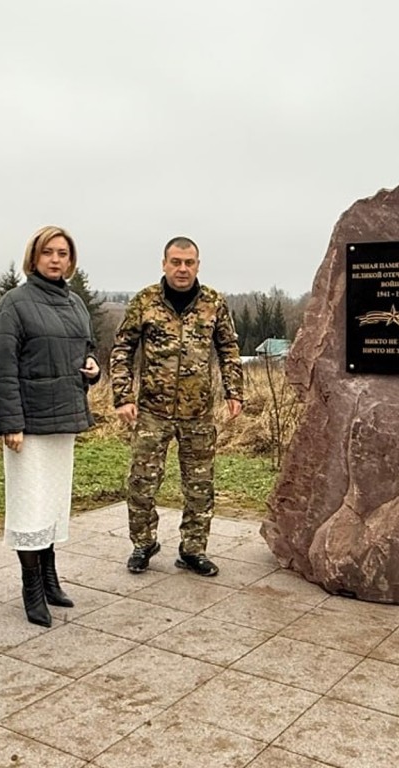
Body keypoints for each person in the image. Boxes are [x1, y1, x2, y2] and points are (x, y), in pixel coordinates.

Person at [0, 226, 100, 628]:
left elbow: (86, 351)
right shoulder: (13, 304)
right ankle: (31, 588)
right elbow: (0, 368)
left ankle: (51, 579)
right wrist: (9, 422)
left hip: (63, 421)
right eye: (48, 252)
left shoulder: (76, 304)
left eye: (63, 253)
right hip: (28, 427)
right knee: (29, 509)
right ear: (33, 258)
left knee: (52, 506)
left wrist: (93, 370)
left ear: (71, 260)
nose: (56, 259)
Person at [109, 236, 243, 577]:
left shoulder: (213, 303)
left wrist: (235, 392)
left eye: (189, 262)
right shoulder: (145, 301)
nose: (182, 269)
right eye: (176, 262)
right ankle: (143, 543)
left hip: (198, 413)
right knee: (142, 482)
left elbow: (228, 349)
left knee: (199, 487)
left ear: (198, 265)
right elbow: (123, 349)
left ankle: (193, 549)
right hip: (152, 411)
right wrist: (123, 395)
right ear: (164, 264)